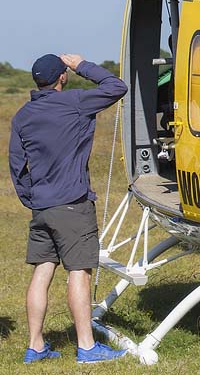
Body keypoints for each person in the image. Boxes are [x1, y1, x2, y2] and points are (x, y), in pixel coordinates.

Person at [8, 53, 129, 364]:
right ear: (62, 77)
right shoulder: (75, 101)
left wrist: (31, 199)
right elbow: (117, 86)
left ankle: (35, 346)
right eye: (66, 71)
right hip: (73, 204)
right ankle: (87, 347)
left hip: (42, 207)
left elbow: (16, 165)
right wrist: (82, 65)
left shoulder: (22, 116)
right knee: (79, 272)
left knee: (42, 271)